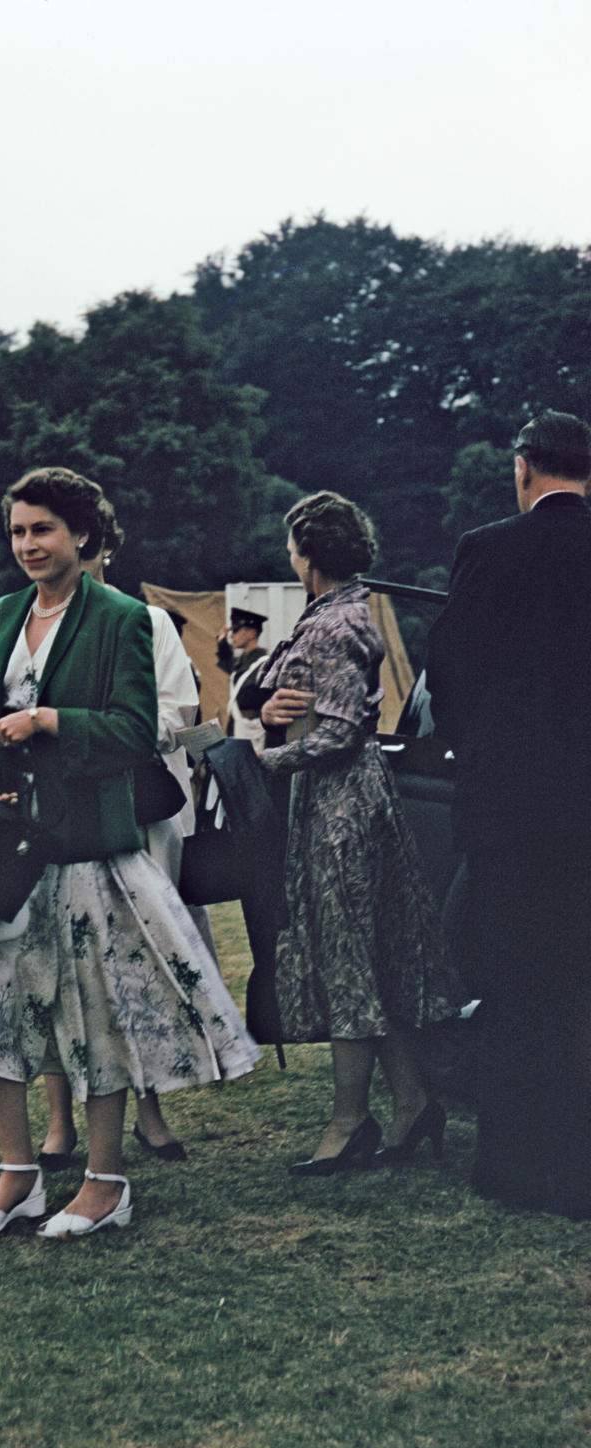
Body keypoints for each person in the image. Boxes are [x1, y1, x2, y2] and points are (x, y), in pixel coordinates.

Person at [0, 466, 258, 1239]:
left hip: (89, 845)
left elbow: (133, 730)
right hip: (9, 849)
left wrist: (52, 720)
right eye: (18, 530)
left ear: (82, 534)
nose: (27, 544)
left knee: (95, 1013)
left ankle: (105, 1182)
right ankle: (17, 1175)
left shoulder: (122, 617)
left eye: (43, 529)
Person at [257, 491, 462, 1174]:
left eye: (294, 549)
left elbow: (342, 732)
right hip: (338, 801)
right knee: (368, 959)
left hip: (341, 807)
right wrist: (268, 705)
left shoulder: (335, 625)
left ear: (308, 557)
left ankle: (350, 1123)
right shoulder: (333, 615)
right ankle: (412, 1104)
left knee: (349, 961)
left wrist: (266, 759)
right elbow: (273, 684)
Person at [426, 409, 591, 1219]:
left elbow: (449, 670)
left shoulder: (489, 549)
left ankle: (521, 1165)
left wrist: (478, 748)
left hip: (515, 808)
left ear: (523, 467)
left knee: (518, 981)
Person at [36, 498, 211, 1168]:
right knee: (52, 959)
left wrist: (96, 727)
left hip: (133, 809)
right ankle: (58, 1122)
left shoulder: (147, 622)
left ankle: (149, 1110)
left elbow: (176, 711)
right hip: (52, 810)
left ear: (98, 545)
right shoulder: (29, 623)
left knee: (135, 962)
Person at [217, 608, 269, 751]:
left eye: (236, 631)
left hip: (255, 738)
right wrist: (221, 643)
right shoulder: (243, 661)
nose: (231, 636)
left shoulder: (264, 663)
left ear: (252, 633)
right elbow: (229, 665)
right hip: (238, 733)